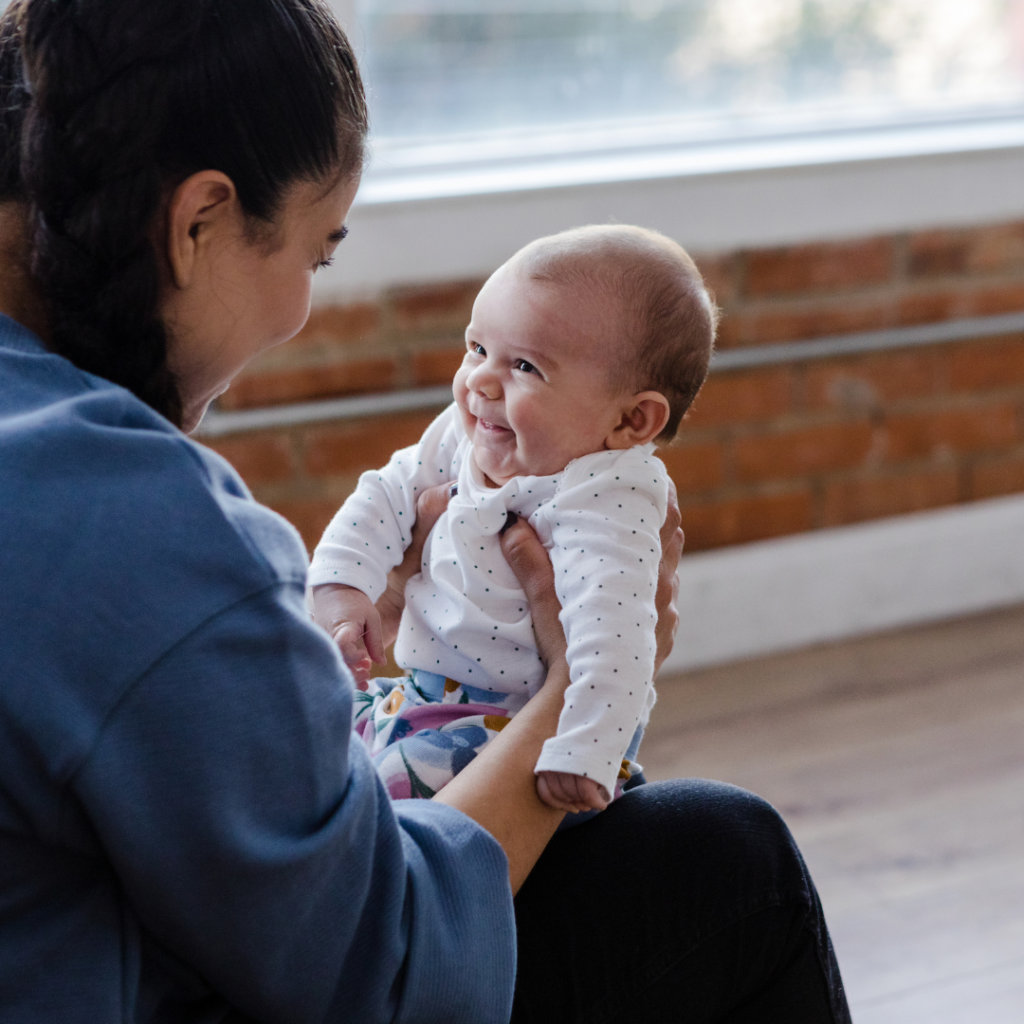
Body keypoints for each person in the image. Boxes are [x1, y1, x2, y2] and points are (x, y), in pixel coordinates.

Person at [0, 1, 853, 1021]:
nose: (298, 310)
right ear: (198, 223)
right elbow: (382, 975)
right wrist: (568, 701)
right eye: (314, 255)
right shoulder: (145, 529)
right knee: (730, 860)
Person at [310, 225, 715, 816]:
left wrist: (582, 753)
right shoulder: (466, 433)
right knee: (304, 731)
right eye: (477, 349)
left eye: (524, 365)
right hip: (418, 697)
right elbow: (384, 496)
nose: (479, 380)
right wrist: (345, 592)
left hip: (510, 728)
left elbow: (619, 641)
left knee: (378, 803)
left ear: (631, 421)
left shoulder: (607, 496)